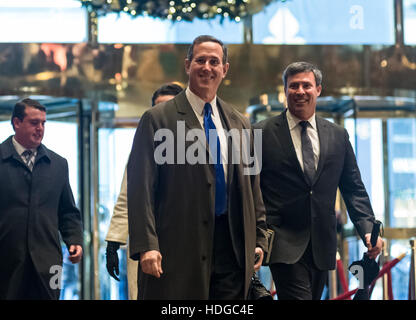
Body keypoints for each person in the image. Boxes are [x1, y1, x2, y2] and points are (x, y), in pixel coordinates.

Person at [127, 35, 268, 299]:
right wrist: (147, 245)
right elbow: (140, 189)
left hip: (232, 251)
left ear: (224, 69)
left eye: (214, 62)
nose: (207, 67)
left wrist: (260, 239)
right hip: (176, 249)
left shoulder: (241, 123)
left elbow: (253, 188)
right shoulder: (157, 119)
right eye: (200, 60)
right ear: (187, 65)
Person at [254, 61, 383, 300]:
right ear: (285, 90)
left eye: (306, 85)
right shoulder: (260, 133)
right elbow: (251, 191)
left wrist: (366, 229)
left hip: (322, 244)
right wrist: (256, 236)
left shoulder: (337, 135)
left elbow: (354, 188)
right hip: (283, 243)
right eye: (294, 86)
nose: (300, 91)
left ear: (318, 90)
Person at [105, 83, 183, 300]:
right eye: (158, 109)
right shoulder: (143, 146)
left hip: (187, 242)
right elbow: (128, 195)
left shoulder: (198, 147)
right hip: (146, 242)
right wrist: (114, 242)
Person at [0, 98, 83, 300]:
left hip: (48, 263)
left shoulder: (58, 165)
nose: (40, 128)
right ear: (16, 123)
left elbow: (68, 211)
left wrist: (74, 240)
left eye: (43, 123)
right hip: (6, 261)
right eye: (34, 122)